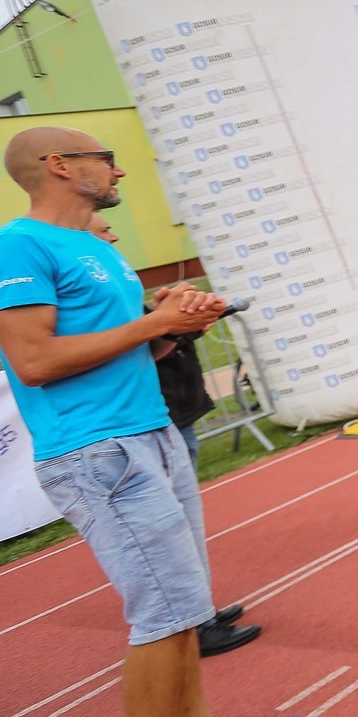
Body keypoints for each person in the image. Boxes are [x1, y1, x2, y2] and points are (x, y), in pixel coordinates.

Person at [0, 128, 301, 717]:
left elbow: (117, 346)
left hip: (149, 431)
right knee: (161, 612)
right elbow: (33, 360)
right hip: (97, 450)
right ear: (60, 166)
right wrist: (154, 319)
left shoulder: (98, 247)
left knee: (184, 606)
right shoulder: (15, 247)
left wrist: (169, 329)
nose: (118, 168)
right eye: (104, 158)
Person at [87, 214, 258, 658]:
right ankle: (186, 628)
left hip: (163, 418)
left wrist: (185, 324)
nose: (116, 232)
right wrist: (168, 322)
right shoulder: (86, 290)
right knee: (163, 536)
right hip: (123, 431)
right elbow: (109, 350)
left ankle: (197, 614)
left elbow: (152, 344)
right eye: (104, 229)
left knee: (183, 526)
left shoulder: (116, 285)